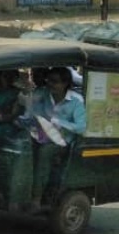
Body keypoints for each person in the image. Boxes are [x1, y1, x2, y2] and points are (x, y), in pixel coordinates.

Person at [18, 66, 86, 204]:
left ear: (65, 83)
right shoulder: (43, 93)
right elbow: (31, 112)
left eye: (55, 81)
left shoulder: (76, 101)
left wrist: (60, 122)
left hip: (62, 141)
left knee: (44, 154)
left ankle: (36, 199)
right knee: (20, 147)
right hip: (41, 135)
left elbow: (81, 127)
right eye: (48, 81)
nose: (50, 84)